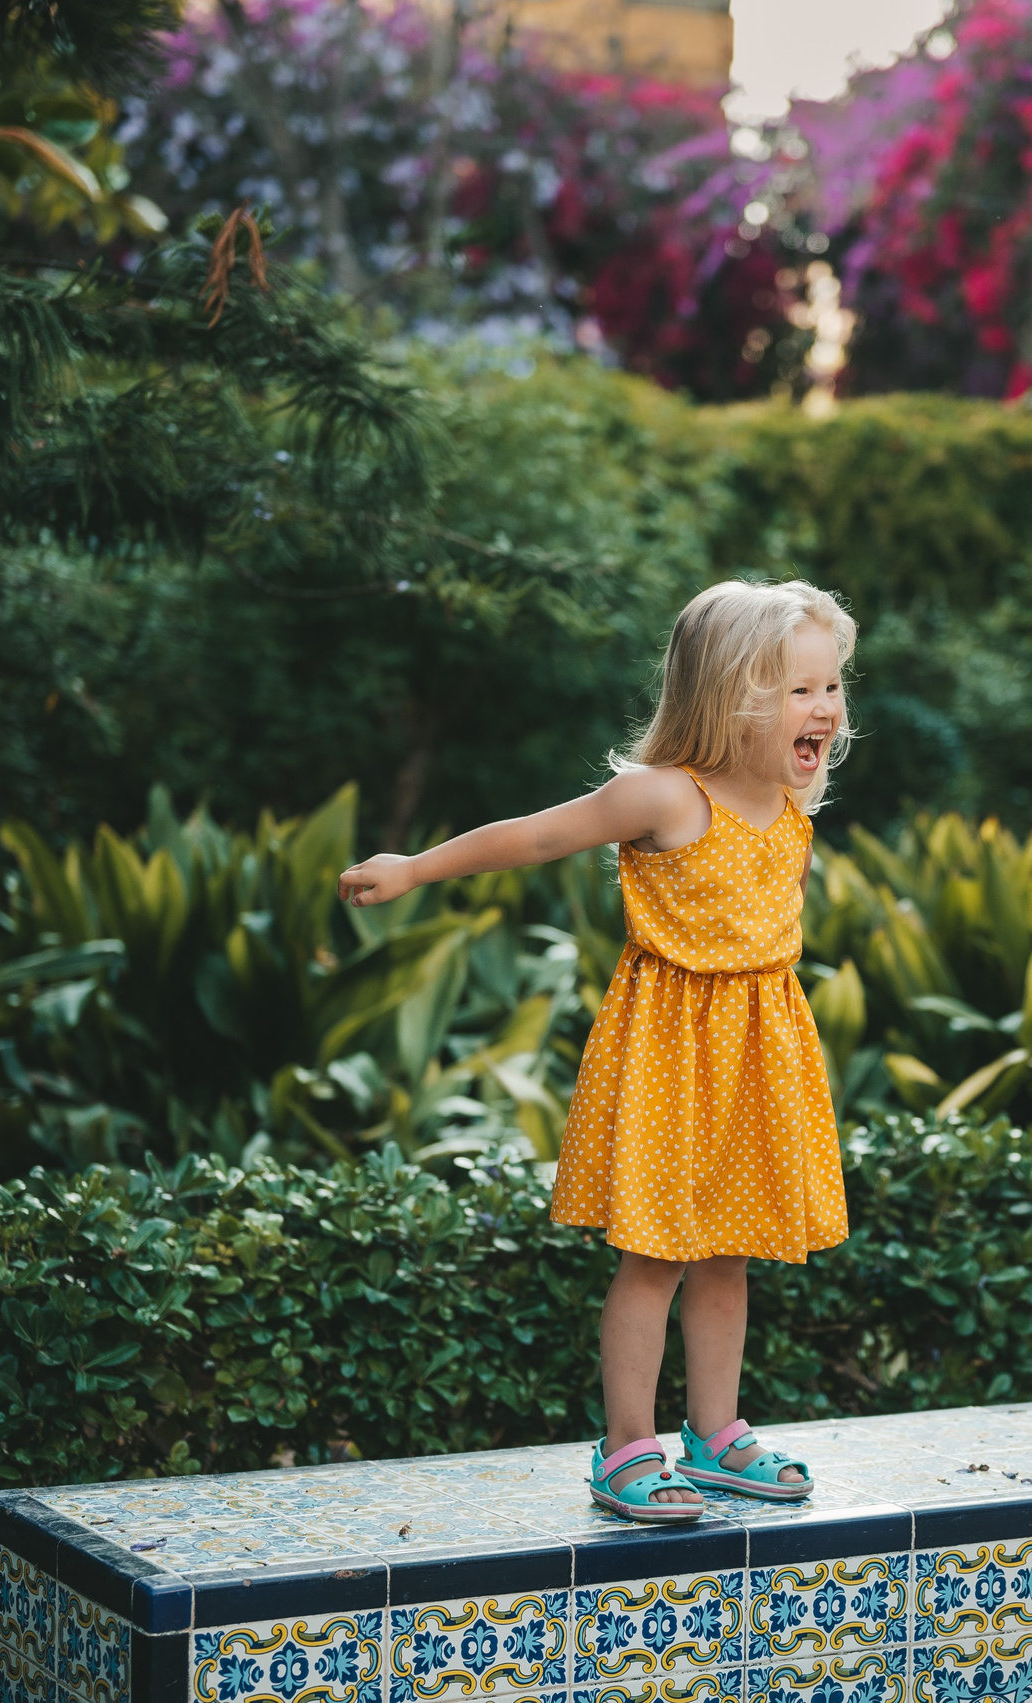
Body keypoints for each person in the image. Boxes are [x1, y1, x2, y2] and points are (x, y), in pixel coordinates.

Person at [339, 579, 855, 1521]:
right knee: (655, 1258)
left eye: (831, 686)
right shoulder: (663, 795)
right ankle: (626, 1445)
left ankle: (718, 1432)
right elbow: (538, 834)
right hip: (671, 1059)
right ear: (727, 695)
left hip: (756, 1056)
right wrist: (415, 868)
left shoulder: (789, 806)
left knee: (729, 1254)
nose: (824, 707)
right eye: (799, 689)